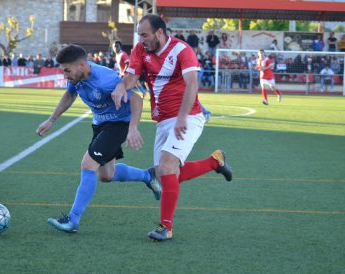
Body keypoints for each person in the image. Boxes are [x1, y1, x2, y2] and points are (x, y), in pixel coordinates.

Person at [111, 14, 233, 242]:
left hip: (189, 117)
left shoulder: (182, 50)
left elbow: (192, 85)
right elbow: (132, 76)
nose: (141, 39)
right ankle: (215, 161)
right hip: (164, 119)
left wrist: (182, 117)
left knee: (166, 167)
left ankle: (165, 227)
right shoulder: (140, 49)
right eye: (140, 35)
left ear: (159, 32)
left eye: (144, 34)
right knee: (166, 174)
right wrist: (121, 87)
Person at [36, 44, 161, 233]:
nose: (65, 75)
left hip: (118, 124)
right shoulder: (76, 77)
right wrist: (51, 119)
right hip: (101, 125)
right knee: (106, 175)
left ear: (82, 65)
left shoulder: (106, 80)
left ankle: (72, 220)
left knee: (88, 164)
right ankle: (147, 175)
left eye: (67, 70)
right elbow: (70, 94)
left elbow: (136, 98)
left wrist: (133, 128)